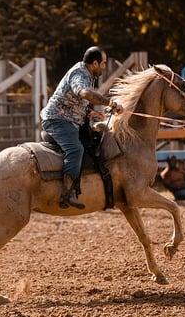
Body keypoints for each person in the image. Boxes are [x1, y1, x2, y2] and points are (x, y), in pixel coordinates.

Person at [40, 46, 124, 209]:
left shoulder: (88, 74)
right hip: (57, 120)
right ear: (94, 63)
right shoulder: (80, 74)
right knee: (76, 149)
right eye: (103, 63)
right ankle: (67, 193)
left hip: (68, 120)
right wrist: (110, 103)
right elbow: (83, 93)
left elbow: (76, 101)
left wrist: (90, 112)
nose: (104, 67)